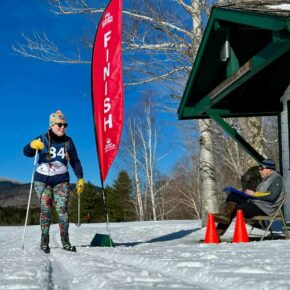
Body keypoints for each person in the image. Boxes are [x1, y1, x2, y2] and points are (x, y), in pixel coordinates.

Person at [23, 110, 85, 253]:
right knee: (46, 208)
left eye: (65, 125)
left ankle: (66, 241)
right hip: (42, 180)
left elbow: (75, 161)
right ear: (51, 125)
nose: (63, 127)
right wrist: (32, 146)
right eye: (59, 124)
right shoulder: (42, 139)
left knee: (62, 209)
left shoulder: (68, 141)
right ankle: (44, 241)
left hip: (61, 180)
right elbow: (26, 152)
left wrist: (80, 177)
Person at [214, 159, 285, 236]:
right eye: (259, 168)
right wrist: (247, 195)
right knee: (233, 196)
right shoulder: (267, 179)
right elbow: (262, 194)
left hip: (265, 208)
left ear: (270, 169)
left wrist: (254, 194)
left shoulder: (277, 179)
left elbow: (271, 197)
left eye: (262, 168)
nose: (259, 171)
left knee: (234, 209)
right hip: (256, 203)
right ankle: (225, 217)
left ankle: (217, 234)